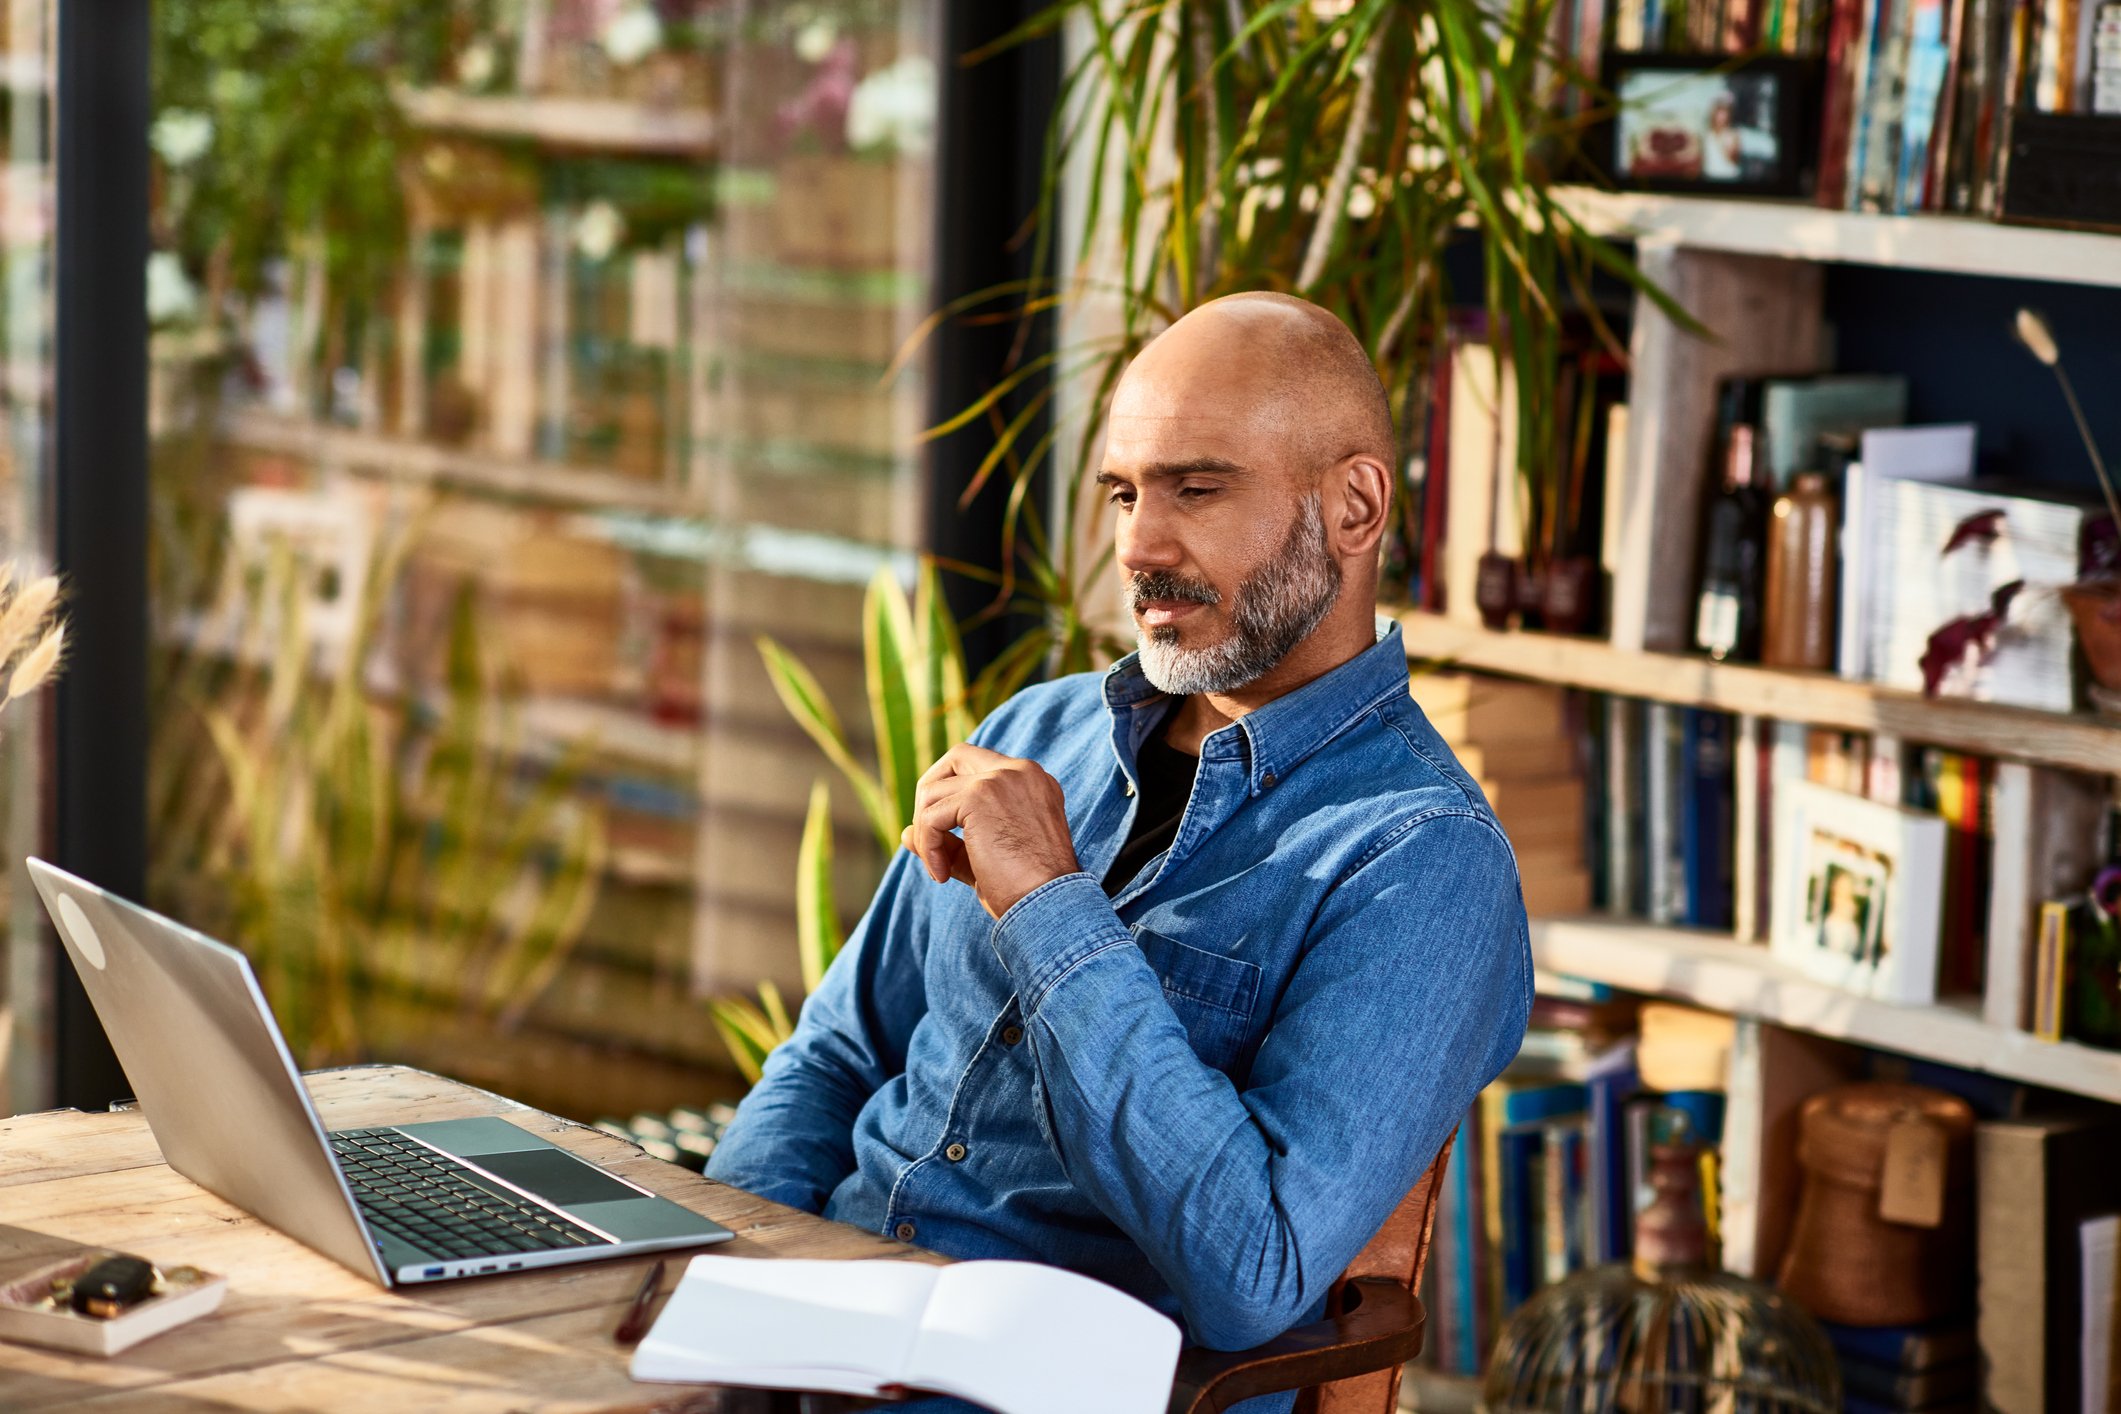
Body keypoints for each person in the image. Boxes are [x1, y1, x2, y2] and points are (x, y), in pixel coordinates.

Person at [706, 292, 1532, 1411]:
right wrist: (722, 1277)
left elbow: (1253, 1273)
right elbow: (837, 1055)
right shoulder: (1034, 733)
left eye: (1196, 488)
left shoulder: (1422, 860)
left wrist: (1050, 898)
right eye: (1124, 493)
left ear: (1353, 505)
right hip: (801, 1347)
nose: (1140, 546)